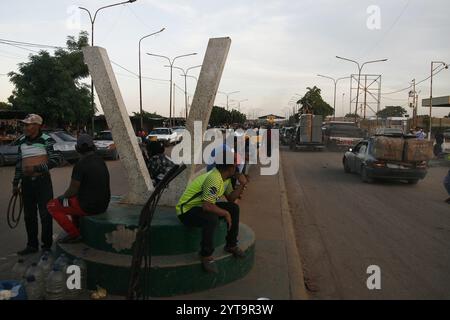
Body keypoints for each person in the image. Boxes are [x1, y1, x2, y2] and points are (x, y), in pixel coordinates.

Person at [176, 149, 248, 274]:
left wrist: (241, 185)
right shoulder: (213, 178)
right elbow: (207, 207)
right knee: (211, 218)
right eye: (235, 165)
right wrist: (225, 213)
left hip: (200, 206)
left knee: (234, 208)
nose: (237, 167)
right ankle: (206, 255)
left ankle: (231, 244)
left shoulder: (225, 179)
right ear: (230, 167)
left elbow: (231, 198)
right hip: (186, 211)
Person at [12, 114, 63, 255]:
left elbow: (56, 160)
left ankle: (46, 246)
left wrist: (35, 169)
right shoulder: (21, 141)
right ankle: (32, 245)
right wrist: (15, 183)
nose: (25, 127)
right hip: (26, 184)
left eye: (28, 124)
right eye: (25, 125)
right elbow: (18, 164)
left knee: (46, 214)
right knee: (29, 216)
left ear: (37, 126)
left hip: (43, 182)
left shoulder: (47, 140)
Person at [47, 134, 111, 243]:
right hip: (103, 205)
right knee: (71, 200)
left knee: (52, 205)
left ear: (77, 148)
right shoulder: (100, 161)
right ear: (93, 147)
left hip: (88, 207)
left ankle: (74, 234)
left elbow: (72, 191)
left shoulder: (80, 164)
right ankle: (77, 227)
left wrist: (61, 198)